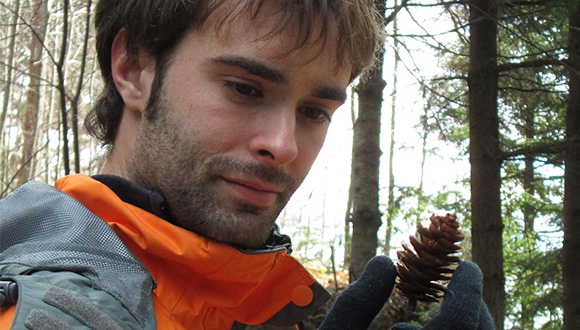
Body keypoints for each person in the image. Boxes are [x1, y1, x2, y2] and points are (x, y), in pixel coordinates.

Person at [0, 0, 492, 329]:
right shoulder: (51, 309)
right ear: (133, 69)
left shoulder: (273, 304)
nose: (284, 146)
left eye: (314, 111)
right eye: (244, 88)